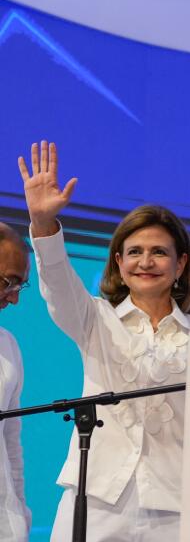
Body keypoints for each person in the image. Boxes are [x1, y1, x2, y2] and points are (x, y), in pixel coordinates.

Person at [17, 141, 190, 541]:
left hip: (175, 505)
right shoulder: (95, 318)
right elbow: (56, 282)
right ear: (119, 265)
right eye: (135, 252)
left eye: (159, 252)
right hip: (96, 500)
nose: (146, 261)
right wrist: (43, 225)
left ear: (180, 265)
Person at [0, 223, 32, 541]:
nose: (14, 298)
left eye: (20, 286)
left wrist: (19, 516)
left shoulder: (7, 347)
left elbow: (10, 445)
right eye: (8, 282)